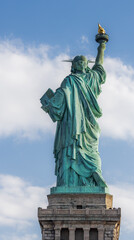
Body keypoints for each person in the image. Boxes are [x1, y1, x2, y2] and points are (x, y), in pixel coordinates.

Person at [41, 42, 107, 188]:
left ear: (85, 65)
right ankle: (68, 183)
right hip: (71, 124)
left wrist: (101, 47)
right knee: (71, 149)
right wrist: (51, 105)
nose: (81, 63)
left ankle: (93, 176)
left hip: (87, 125)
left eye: (83, 61)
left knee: (90, 152)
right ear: (74, 65)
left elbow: (99, 66)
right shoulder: (70, 80)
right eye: (78, 61)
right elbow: (61, 98)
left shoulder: (91, 79)